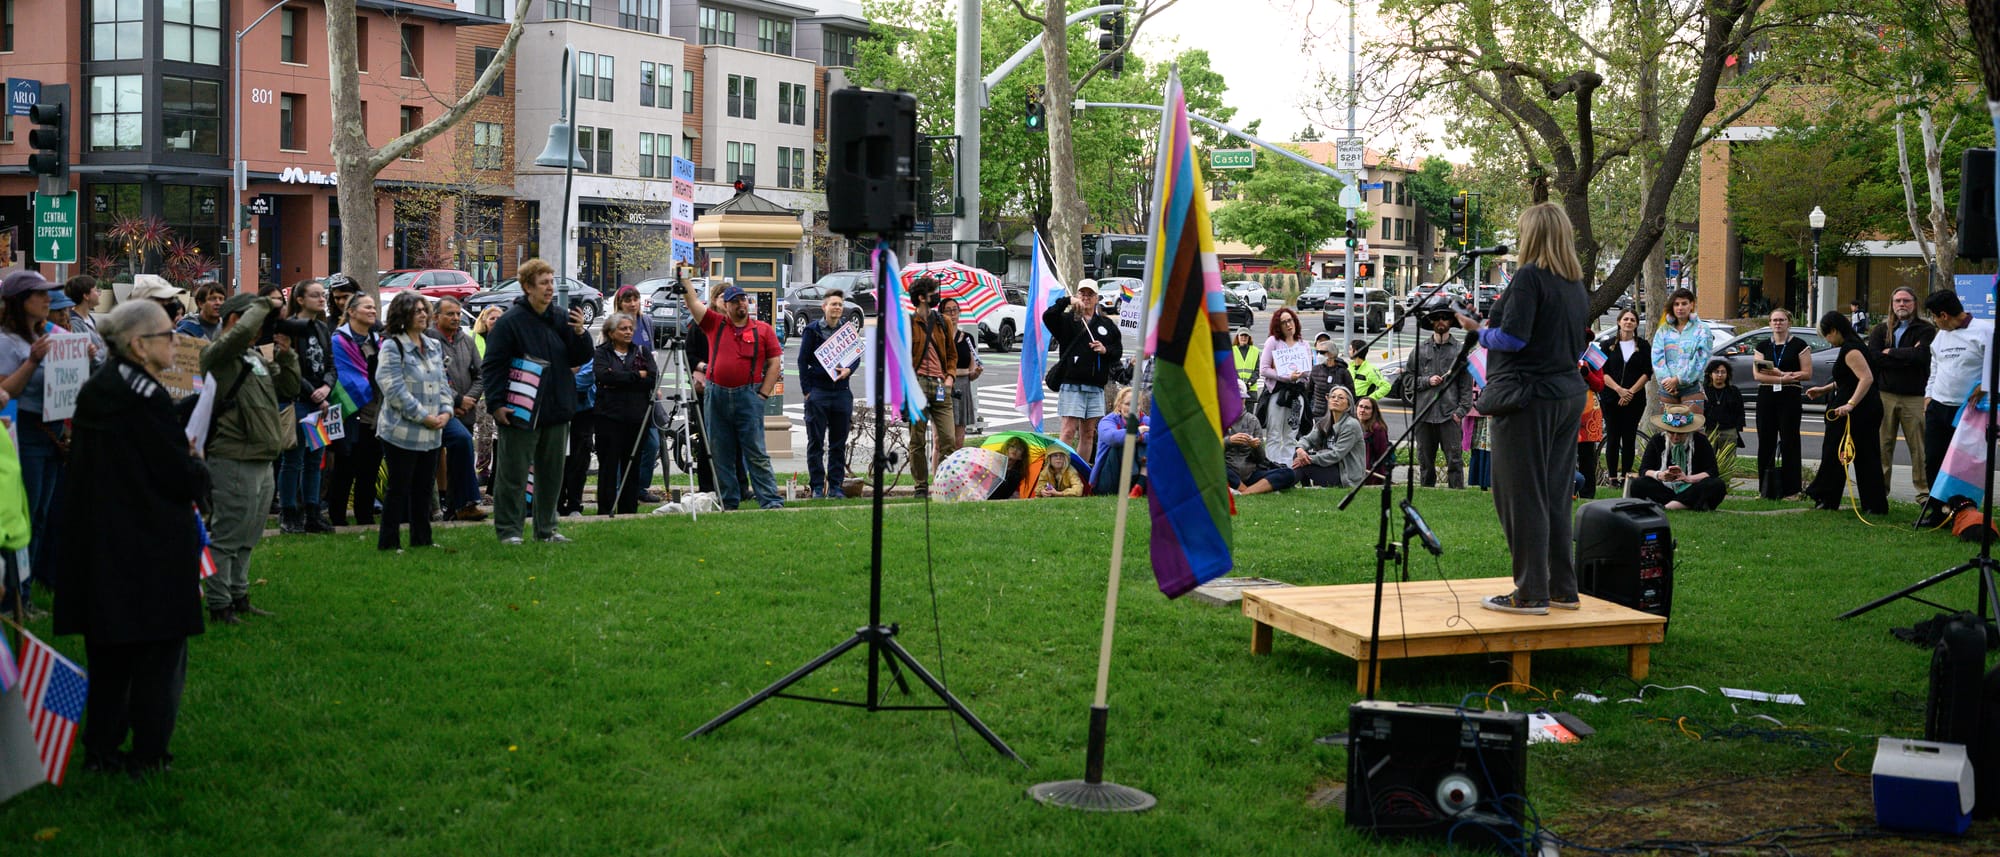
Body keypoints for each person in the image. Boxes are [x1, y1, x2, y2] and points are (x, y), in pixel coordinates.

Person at [54, 300, 206, 778]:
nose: (175, 342)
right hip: (150, 548)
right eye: (167, 334)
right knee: (159, 658)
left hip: (103, 546)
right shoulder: (147, 396)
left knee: (110, 655)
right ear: (139, 345)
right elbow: (176, 475)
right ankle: (148, 754)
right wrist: (194, 462)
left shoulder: (104, 386)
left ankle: (101, 751)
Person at [1465, 202, 1590, 616]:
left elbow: (1513, 340)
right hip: (1567, 394)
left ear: (1531, 235)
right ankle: (1561, 589)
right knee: (1555, 494)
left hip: (1528, 399)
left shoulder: (1529, 278)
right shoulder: (1574, 283)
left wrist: (1480, 332)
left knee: (1520, 495)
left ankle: (1530, 593)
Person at [481, 258, 595, 543]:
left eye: (551, 281)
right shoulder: (510, 323)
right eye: (543, 283)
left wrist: (580, 333)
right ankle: (509, 531)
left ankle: (546, 530)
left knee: (551, 475)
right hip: (520, 409)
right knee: (514, 475)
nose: (549, 288)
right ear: (527, 287)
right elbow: (492, 366)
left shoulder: (560, 317)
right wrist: (496, 404)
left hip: (557, 409)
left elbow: (580, 357)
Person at [201, 292, 299, 624]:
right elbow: (239, 334)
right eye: (255, 322)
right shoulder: (217, 354)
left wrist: (287, 356)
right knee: (227, 534)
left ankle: (239, 595)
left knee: (248, 536)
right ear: (235, 320)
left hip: (261, 457)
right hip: (232, 458)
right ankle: (218, 604)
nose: (260, 331)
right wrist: (262, 305)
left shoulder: (252, 357)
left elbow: (289, 387)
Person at [682, 275, 783, 511]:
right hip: (716, 396)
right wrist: (684, 279)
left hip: (748, 397)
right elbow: (693, 303)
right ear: (725, 306)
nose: (741, 304)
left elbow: (775, 364)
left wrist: (762, 396)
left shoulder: (763, 330)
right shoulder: (714, 324)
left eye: (743, 300)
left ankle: (770, 500)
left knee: (756, 451)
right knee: (720, 452)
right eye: (735, 301)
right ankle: (729, 501)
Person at [0, 271, 69, 610]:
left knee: (41, 515)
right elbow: (5, 391)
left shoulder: (45, 336)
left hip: (52, 434)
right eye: (41, 294)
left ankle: (23, 594)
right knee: (23, 519)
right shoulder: (7, 342)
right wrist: (33, 362)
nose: (48, 300)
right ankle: (13, 597)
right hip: (25, 433)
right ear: (21, 300)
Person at [373, 292, 455, 551]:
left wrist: (446, 412)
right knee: (399, 488)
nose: (422, 314)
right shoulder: (392, 346)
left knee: (423, 488)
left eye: (424, 309)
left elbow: (443, 382)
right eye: (416, 310)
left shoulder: (432, 345)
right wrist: (423, 416)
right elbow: (392, 388)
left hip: (432, 432)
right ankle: (389, 542)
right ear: (402, 315)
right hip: (401, 431)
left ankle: (422, 539)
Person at [1803, 311, 1888, 514]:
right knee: (1859, 454)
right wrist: (1824, 389)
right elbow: (1849, 379)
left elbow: (1865, 378)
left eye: (1827, 336)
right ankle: (1870, 503)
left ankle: (1828, 496)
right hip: (1863, 407)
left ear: (1833, 330)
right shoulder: (1856, 346)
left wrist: (1850, 404)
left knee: (1838, 452)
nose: (1828, 341)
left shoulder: (1851, 350)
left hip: (1855, 411)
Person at [275, 279, 336, 534]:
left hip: (319, 404)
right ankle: (289, 513)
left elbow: (331, 364)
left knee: (315, 460)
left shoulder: (321, 328)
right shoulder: (289, 328)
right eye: (315, 295)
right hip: (298, 402)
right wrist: (314, 393)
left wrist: (327, 387)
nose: (322, 299)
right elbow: (288, 369)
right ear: (300, 299)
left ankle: (313, 512)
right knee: (294, 460)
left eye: (323, 295)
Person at [1044, 279, 1122, 466]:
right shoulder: (1067, 321)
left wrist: (1105, 350)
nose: (1086, 298)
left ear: (1097, 298)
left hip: (1095, 386)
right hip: (1072, 384)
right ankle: (1059, 473)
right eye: (1082, 294)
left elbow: (1117, 351)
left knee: (1088, 433)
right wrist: (1066, 301)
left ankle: (1080, 474)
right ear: (1077, 295)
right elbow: (1048, 316)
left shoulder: (1106, 324)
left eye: (1090, 295)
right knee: (1068, 430)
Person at [1867, 286, 1934, 504]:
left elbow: (1922, 357)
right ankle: (1879, 492)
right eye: (1897, 301)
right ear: (1892, 304)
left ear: (1915, 303)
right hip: (1885, 395)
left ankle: (1924, 494)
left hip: (1915, 396)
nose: (1901, 304)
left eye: (1906, 300)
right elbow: (1874, 358)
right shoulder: (1880, 330)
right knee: (1883, 446)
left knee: (1919, 448)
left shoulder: (1925, 329)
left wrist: (1892, 353)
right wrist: (1906, 356)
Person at [427, 296, 486, 521]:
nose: (456, 318)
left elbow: (480, 375)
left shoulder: (467, 341)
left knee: (461, 456)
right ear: (436, 317)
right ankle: (446, 503)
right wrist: (456, 401)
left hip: (466, 411)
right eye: (450, 313)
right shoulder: (429, 340)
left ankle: (460, 505)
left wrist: (469, 399)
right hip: (439, 410)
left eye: (458, 314)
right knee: (442, 455)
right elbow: (433, 377)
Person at [327, 293, 383, 527]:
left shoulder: (379, 341)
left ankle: (365, 516)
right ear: (351, 311)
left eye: (374, 307)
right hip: (348, 411)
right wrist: (370, 384)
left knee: (370, 468)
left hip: (374, 413)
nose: (373, 311)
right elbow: (344, 376)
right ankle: (337, 517)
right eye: (367, 307)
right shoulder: (338, 341)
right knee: (344, 467)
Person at [592, 313, 655, 515]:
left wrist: (618, 378)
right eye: (623, 328)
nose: (628, 332)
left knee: (632, 464)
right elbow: (602, 376)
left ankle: (629, 509)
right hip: (608, 417)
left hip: (636, 417)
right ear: (611, 333)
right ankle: (606, 509)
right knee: (608, 466)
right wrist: (637, 376)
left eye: (630, 328)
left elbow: (652, 378)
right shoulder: (602, 353)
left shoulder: (641, 352)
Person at [797, 289, 855, 499]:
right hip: (818, 393)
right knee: (816, 443)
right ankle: (817, 487)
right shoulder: (812, 330)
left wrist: (849, 370)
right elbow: (802, 361)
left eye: (840, 304)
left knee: (838, 444)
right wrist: (807, 391)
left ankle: (836, 487)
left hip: (841, 393)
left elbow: (855, 357)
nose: (837, 308)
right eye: (833, 304)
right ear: (824, 307)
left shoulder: (847, 331)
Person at [1405, 303, 1471, 489]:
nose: (1440, 321)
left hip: (1449, 416)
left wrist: (1460, 412)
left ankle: (1456, 495)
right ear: (1431, 322)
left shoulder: (1460, 351)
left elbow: (1466, 387)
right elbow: (1407, 380)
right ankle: (1426, 495)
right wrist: (1426, 381)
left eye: (1444, 317)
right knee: (1425, 462)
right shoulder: (1420, 350)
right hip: (1423, 415)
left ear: (1450, 321)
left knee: (1455, 462)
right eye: (1436, 318)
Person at [906, 276, 960, 496]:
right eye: (932, 293)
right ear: (921, 298)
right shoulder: (909, 323)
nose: (936, 296)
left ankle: (945, 483)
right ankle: (921, 486)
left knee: (948, 439)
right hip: (917, 384)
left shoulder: (943, 322)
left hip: (940, 385)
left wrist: (949, 379)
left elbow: (952, 356)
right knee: (917, 440)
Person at [1751, 308, 1810, 499]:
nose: (1778, 323)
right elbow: (1758, 374)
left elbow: (1807, 373)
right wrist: (1783, 378)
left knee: (1789, 441)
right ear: (1769, 323)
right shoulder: (1762, 347)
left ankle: (1792, 490)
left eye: (1782, 320)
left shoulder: (1799, 345)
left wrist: (1785, 376)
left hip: (1790, 397)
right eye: (1774, 320)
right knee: (1765, 441)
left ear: (1789, 322)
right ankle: (1765, 489)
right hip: (1767, 396)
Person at [611, 286, 663, 501]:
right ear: (620, 302)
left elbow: (651, 355)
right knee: (623, 443)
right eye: (628, 300)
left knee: (652, 443)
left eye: (636, 299)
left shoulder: (646, 322)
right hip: (624, 394)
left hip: (646, 392)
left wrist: (654, 383)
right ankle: (618, 488)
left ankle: (640, 487)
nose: (633, 303)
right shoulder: (613, 324)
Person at [1630, 406, 1728, 511]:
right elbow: (1644, 470)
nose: (1675, 437)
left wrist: (1688, 478)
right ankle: (1686, 504)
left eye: (1680, 433)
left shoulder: (1701, 441)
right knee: (1638, 484)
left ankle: (1668, 506)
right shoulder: (1657, 440)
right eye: (1671, 432)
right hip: (1664, 488)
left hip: (1692, 487)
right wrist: (1660, 475)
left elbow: (1712, 471)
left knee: (1717, 485)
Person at [1257, 308, 1312, 460]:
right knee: (1274, 434)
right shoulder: (1273, 342)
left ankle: (1287, 469)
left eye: (1290, 320)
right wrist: (1286, 377)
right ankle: (1272, 469)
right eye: (1284, 322)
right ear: (1278, 326)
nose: (1288, 325)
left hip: (1297, 396)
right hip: (1278, 394)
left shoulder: (1304, 344)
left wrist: (1300, 375)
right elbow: (1264, 369)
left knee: (1291, 435)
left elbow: (1308, 371)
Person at [1650, 287, 1711, 415]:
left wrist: (1678, 380)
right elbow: (1657, 357)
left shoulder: (1702, 329)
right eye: (1676, 304)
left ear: (1691, 305)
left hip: (1692, 387)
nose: (1680, 307)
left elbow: (1701, 359)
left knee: (1693, 430)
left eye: (1684, 303)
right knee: (1669, 430)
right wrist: (1668, 381)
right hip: (1667, 388)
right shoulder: (1663, 330)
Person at [1294, 386, 1366, 488]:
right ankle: (1304, 487)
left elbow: (1336, 454)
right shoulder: (1325, 421)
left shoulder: (1351, 425)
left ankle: (1287, 484)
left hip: (1345, 475)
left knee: (1304, 463)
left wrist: (1309, 458)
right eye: (1333, 397)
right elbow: (1308, 439)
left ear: (1348, 405)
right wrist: (1300, 449)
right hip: (1330, 467)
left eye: (1341, 398)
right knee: (1298, 455)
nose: (1336, 399)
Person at [558, 353, 597, 517]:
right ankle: (557, 504)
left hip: (583, 414)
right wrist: (569, 373)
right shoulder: (553, 345)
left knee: (579, 461)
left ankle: (575, 504)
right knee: (556, 460)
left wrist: (562, 375)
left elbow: (585, 379)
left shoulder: (584, 349)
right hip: (557, 413)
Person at [471, 305, 505, 489]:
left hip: (501, 394)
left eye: (499, 318)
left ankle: (496, 475)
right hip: (481, 396)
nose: (495, 322)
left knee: (498, 437)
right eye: (492, 318)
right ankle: (482, 471)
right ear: (484, 320)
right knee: (483, 436)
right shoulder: (475, 338)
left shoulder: (507, 338)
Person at [1092, 387, 1147, 495]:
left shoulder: (1145, 420)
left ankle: (1140, 483)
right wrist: (1138, 432)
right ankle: (1138, 482)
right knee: (1122, 442)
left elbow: (1160, 436)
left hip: (1138, 468)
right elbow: (1112, 438)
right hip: (1109, 478)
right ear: (1119, 405)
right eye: (1128, 404)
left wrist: (1141, 437)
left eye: (1136, 404)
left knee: (1149, 443)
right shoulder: (1107, 421)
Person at [944, 296, 983, 447]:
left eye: (955, 310)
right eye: (948, 310)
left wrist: (976, 373)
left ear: (960, 312)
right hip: (944, 388)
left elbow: (971, 372)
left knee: (958, 440)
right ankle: (938, 469)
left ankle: (955, 469)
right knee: (941, 439)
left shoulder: (967, 338)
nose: (952, 314)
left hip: (963, 388)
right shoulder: (939, 337)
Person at [1303, 338, 1356, 429]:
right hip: (1318, 415)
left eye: (1323, 352)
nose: (1320, 355)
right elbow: (1309, 392)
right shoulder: (1315, 370)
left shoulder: (1343, 372)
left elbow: (1351, 395)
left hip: (1338, 415)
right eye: (1318, 352)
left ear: (1331, 353)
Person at [1576, 357, 1607, 498]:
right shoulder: (1561, 348)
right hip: (1564, 409)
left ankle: (1587, 493)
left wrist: (1587, 374)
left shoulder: (1593, 355)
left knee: (1587, 456)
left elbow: (1600, 385)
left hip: (1588, 414)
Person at [1700, 359, 1745, 453]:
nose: (1720, 375)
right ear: (1710, 374)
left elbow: (1740, 411)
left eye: (1723, 372)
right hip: (1709, 430)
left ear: (1727, 374)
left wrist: (1737, 428)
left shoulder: (1733, 391)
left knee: (1728, 461)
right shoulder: (1704, 391)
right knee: (1708, 459)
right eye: (1716, 372)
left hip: (1729, 431)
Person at [64, 276, 107, 368]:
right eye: (96, 290)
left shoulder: (89, 318)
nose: (99, 294)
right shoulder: (75, 323)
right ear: (86, 296)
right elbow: (86, 357)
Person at [1355, 396, 1391, 486]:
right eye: (1360, 406)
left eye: (1367, 408)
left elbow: (1382, 455)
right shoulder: (1354, 425)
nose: (1362, 410)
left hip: (1372, 476)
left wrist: (1380, 480)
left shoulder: (1377, 429)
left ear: (1373, 411)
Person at [1232, 329, 1261, 407]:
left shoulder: (1255, 351)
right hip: (1236, 390)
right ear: (1237, 337)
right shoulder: (1232, 351)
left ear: (1249, 338)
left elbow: (1256, 371)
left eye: (1246, 336)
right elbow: (1231, 370)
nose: (1244, 338)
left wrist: (1248, 384)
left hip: (1250, 390)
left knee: (1248, 417)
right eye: (1242, 335)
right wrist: (1240, 384)